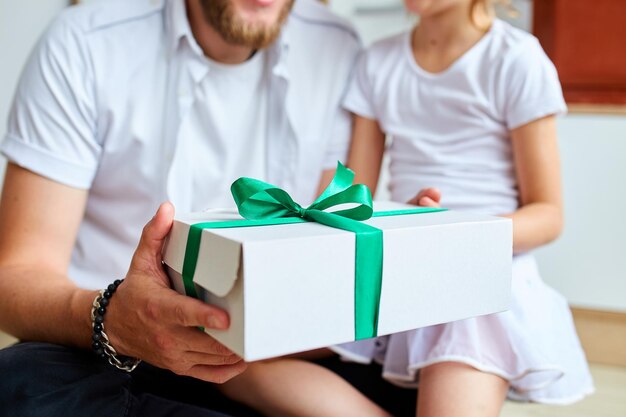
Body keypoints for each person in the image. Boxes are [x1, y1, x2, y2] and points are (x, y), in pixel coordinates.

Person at [0, 0, 421, 416]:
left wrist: (402, 249)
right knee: (21, 383)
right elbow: (16, 276)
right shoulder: (85, 41)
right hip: (117, 351)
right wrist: (116, 318)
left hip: (271, 357)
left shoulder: (337, 46)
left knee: (415, 377)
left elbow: (332, 247)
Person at [211, 0, 596, 416]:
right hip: (402, 270)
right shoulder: (379, 62)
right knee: (230, 364)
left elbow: (548, 214)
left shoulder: (516, 59)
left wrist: (451, 232)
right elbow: (351, 198)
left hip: (480, 285)